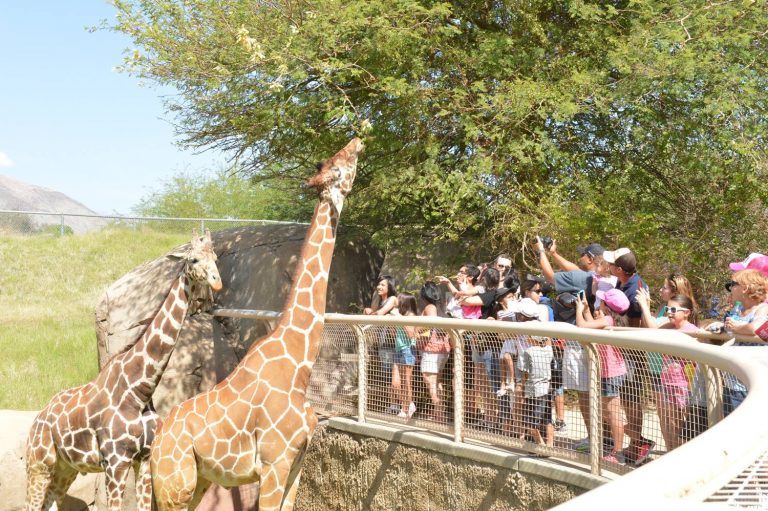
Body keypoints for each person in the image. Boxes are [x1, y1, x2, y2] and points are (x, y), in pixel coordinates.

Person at [603, 247, 653, 465]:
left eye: (612, 264)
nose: (609, 266)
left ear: (620, 269)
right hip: (623, 351)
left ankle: (638, 443)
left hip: (631, 352)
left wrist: (625, 345)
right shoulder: (622, 283)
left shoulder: (636, 288)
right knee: (625, 398)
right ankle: (634, 444)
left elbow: (635, 322)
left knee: (631, 398)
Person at [575, 288, 629, 463]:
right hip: (613, 371)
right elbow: (593, 327)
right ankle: (616, 448)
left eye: (603, 301)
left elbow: (582, 327)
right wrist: (586, 311)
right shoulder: (614, 320)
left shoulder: (607, 319)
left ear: (608, 305)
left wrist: (577, 310)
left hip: (611, 373)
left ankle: (617, 452)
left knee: (613, 413)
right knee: (611, 411)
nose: (600, 303)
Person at [705, 269, 768, 414]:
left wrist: (736, 327)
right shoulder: (738, 311)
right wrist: (721, 327)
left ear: (745, 288)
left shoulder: (762, 308)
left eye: (733, 284)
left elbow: (755, 328)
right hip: (732, 381)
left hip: (750, 383)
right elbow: (733, 329)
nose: (730, 288)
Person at [364, 275, 399, 413]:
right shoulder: (381, 300)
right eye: (379, 284)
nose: (379, 287)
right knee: (387, 375)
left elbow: (379, 313)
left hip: (392, 343)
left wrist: (369, 314)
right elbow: (374, 312)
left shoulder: (392, 299)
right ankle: (393, 404)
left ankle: (399, 405)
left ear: (390, 287)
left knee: (393, 375)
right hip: (382, 343)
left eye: (383, 285)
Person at [418, 282, 451, 423]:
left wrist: (416, 330)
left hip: (432, 350)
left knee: (430, 381)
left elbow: (431, 325)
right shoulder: (440, 307)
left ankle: (440, 415)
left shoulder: (430, 307)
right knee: (436, 382)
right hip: (442, 349)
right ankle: (438, 412)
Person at [521, 333, 555, 447]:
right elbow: (549, 340)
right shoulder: (548, 351)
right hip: (547, 389)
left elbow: (525, 373)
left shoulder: (528, 351)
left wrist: (523, 388)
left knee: (530, 420)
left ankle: (539, 444)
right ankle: (550, 444)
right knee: (547, 418)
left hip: (533, 390)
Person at [393, 293, 418, 418]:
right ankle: (407, 404)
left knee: (407, 381)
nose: (395, 300)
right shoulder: (400, 315)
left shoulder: (410, 315)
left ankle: (407, 407)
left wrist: (399, 318)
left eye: (398, 298)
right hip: (398, 349)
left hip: (408, 350)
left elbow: (410, 333)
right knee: (397, 383)